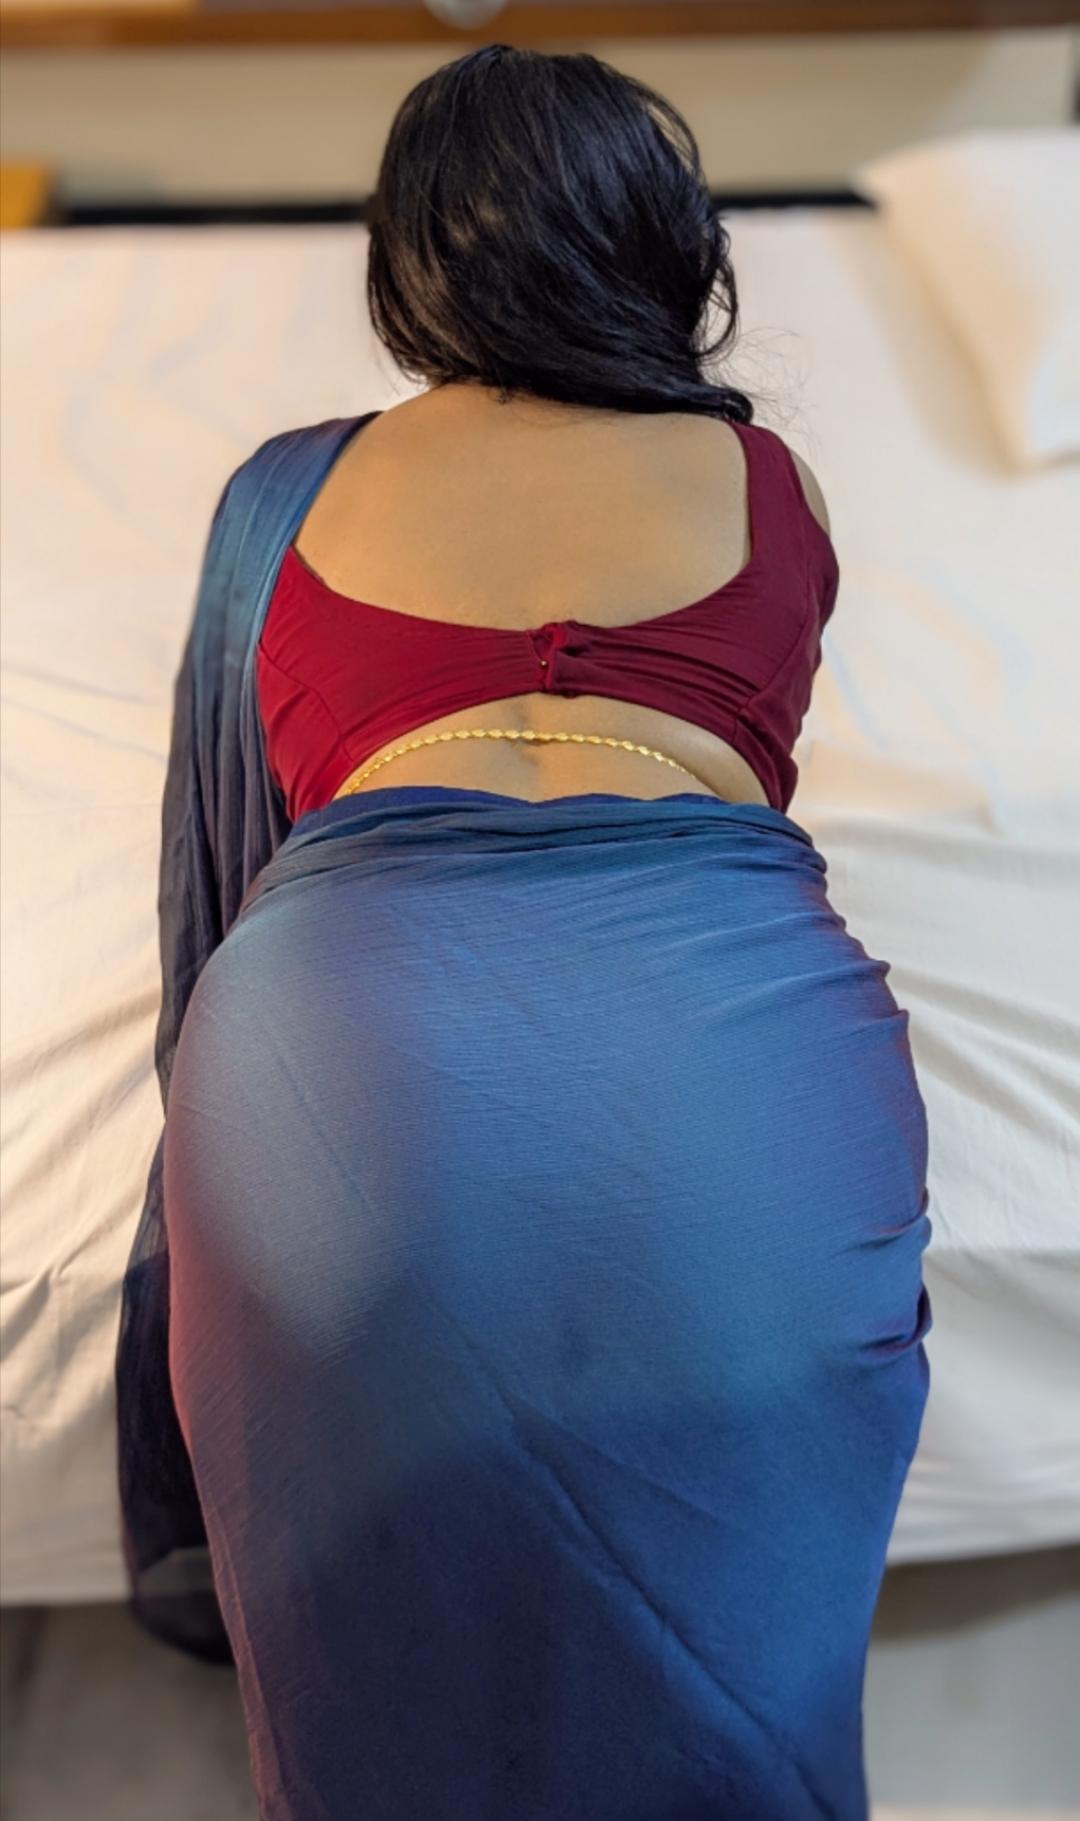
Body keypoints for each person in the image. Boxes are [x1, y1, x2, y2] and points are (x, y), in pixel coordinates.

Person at [115, 43, 933, 1821]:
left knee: (375, 1674)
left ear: (413, 257)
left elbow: (223, 841)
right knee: (739, 1664)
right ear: (667, 241)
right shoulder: (769, 483)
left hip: (332, 1051)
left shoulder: (283, 493)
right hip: (730, 1051)